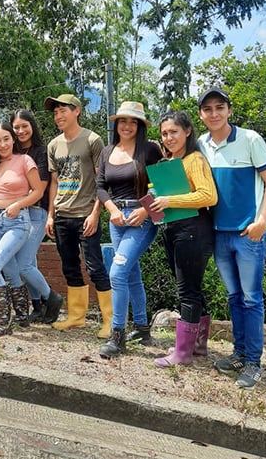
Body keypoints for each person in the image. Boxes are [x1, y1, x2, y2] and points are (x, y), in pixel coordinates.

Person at [197, 87, 266, 389]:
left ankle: (254, 364)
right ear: (201, 115)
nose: (214, 113)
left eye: (220, 107)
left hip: (248, 235)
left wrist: (261, 221)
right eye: (208, 109)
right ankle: (239, 353)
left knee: (251, 299)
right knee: (234, 298)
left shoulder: (250, 139)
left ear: (229, 111)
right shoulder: (200, 145)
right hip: (218, 235)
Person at [146, 110, 217, 367]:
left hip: (193, 229)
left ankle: (182, 353)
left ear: (187, 131)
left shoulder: (194, 159)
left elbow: (208, 196)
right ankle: (197, 346)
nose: (168, 137)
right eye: (164, 133)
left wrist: (169, 200)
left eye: (174, 132)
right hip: (173, 228)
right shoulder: (170, 163)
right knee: (191, 287)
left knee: (186, 291)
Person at [96, 102, 163, 359]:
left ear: (140, 126)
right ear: (116, 124)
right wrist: (112, 210)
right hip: (117, 219)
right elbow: (101, 186)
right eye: (122, 121)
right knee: (131, 273)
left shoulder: (150, 150)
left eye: (133, 122)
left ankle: (117, 336)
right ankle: (143, 328)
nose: (126, 126)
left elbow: (162, 183)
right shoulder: (107, 151)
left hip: (141, 218)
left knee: (118, 271)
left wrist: (145, 211)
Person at [44, 94, 112, 338]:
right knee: (69, 266)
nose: (58, 116)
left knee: (95, 267)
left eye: (63, 110)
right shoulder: (53, 145)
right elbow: (54, 182)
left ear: (77, 111)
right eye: (55, 112)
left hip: (86, 214)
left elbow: (101, 180)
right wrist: (50, 215)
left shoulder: (93, 140)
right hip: (62, 214)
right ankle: (76, 317)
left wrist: (96, 213)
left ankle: (110, 322)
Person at [0, 121, 44, 336]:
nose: (2, 143)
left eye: (6, 138)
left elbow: (38, 191)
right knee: (11, 270)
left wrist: (18, 204)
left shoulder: (25, 160)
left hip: (17, 222)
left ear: (13, 139)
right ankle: (22, 316)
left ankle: (2, 321)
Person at [11, 109, 63, 323]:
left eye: (25, 126)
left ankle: (52, 297)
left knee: (23, 264)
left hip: (36, 213)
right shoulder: (11, 153)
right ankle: (38, 306)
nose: (21, 130)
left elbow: (42, 188)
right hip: (16, 214)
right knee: (26, 262)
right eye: (16, 127)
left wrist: (50, 214)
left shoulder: (42, 152)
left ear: (32, 126)